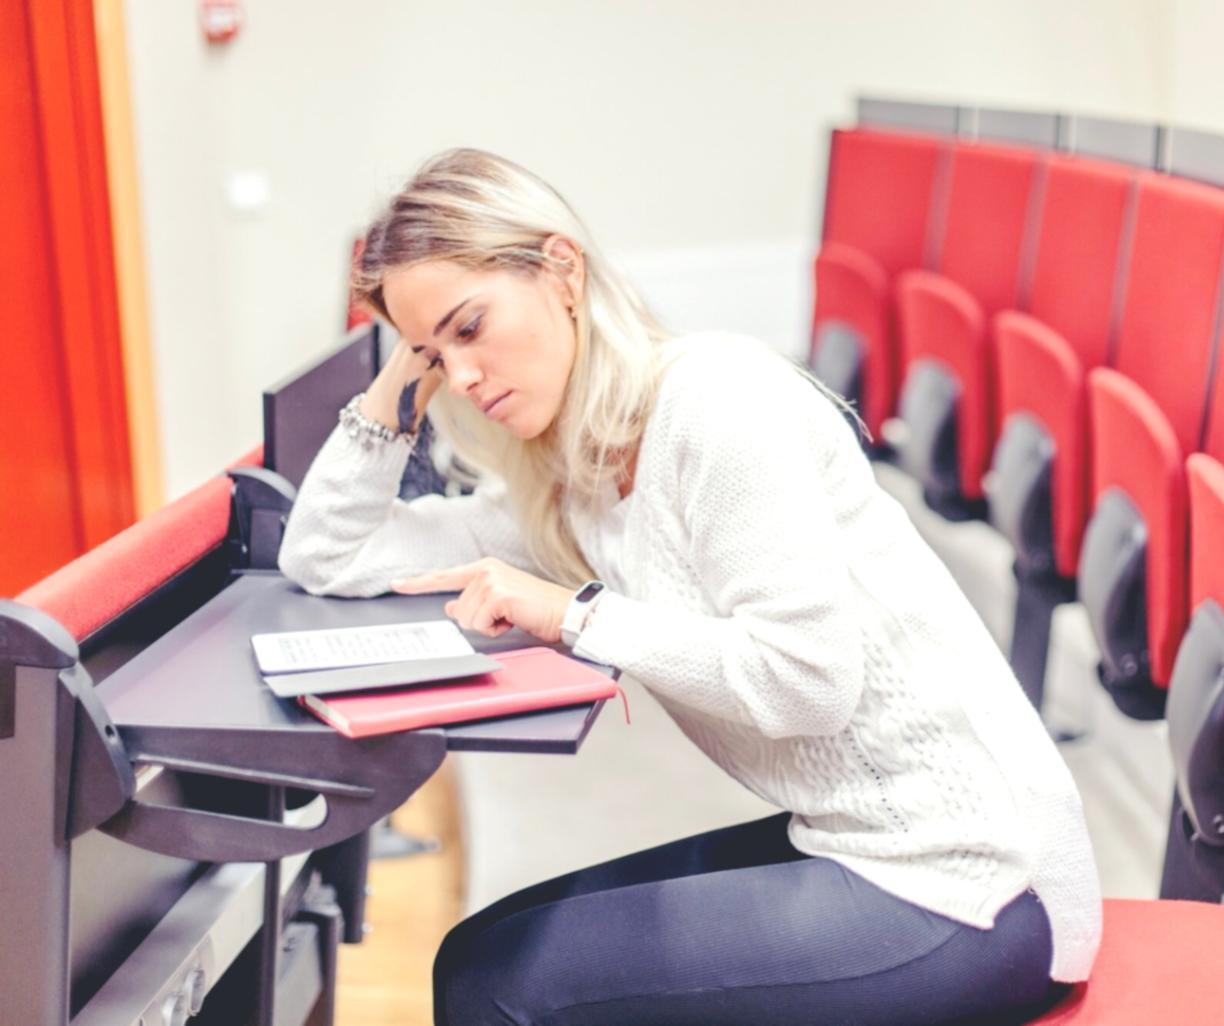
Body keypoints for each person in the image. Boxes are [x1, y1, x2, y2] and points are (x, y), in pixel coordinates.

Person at [278, 148, 1101, 1026]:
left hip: (977, 881)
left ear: (561, 270)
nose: (464, 377)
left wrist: (575, 615)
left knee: (500, 990)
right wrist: (399, 380)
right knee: (474, 958)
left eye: (470, 327)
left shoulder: (718, 403)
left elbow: (809, 682)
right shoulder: (563, 482)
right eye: (436, 353)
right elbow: (332, 551)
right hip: (852, 838)